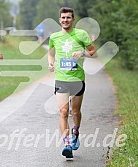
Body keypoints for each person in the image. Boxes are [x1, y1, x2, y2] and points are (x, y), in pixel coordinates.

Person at [48, 7, 97, 158]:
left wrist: (82, 53)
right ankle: (67, 144)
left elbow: (94, 53)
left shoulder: (81, 34)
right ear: (59, 19)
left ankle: (76, 131)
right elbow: (51, 53)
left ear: (73, 19)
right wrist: (50, 63)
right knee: (63, 112)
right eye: (63, 18)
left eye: (68, 18)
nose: (65, 20)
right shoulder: (54, 37)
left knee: (75, 112)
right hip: (61, 78)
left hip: (77, 79)